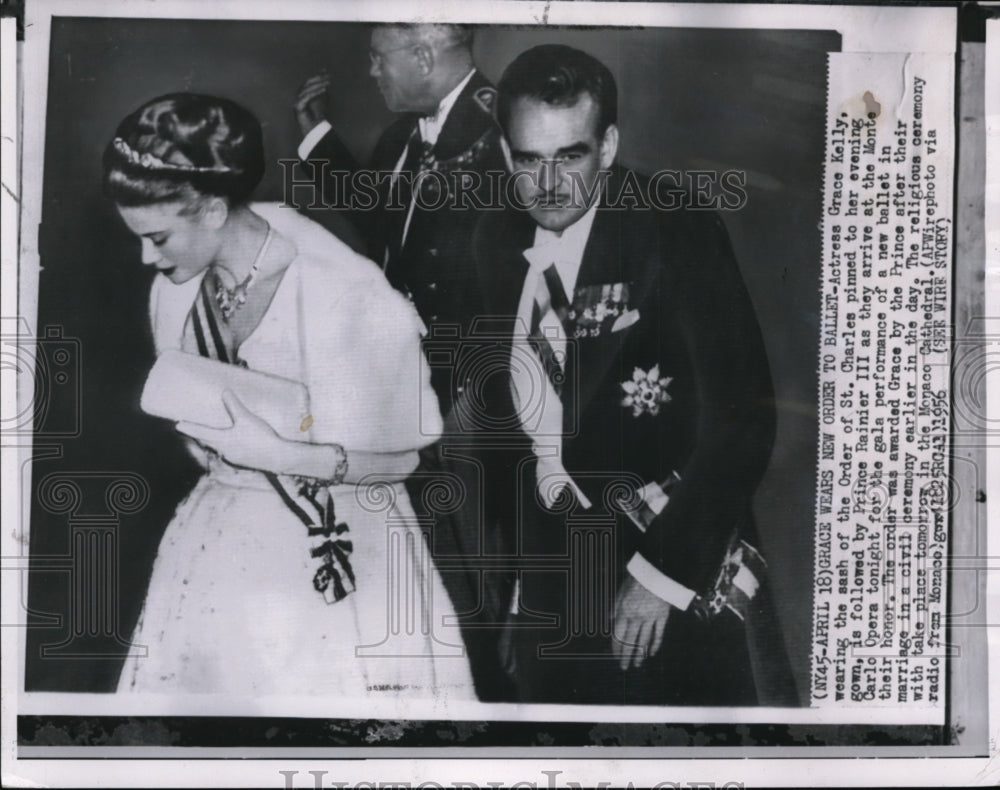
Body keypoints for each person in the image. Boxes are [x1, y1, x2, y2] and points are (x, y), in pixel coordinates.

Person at [107, 93, 473, 700]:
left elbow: (408, 460)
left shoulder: (347, 292)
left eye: (159, 237)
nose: (148, 257)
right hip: (221, 539)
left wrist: (286, 454)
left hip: (345, 544)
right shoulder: (173, 286)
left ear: (216, 210)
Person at [474, 45, 783, 704]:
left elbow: (743, 423)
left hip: (661, 562)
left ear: (608, 146)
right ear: (506, 155)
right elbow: (511, 444)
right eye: (529, 159)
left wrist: (663, 576)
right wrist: (516, 590)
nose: (549, 183)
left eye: (571, 155)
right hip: (550, 580)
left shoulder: (674, 227)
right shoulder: (495, 243)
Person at [294, 24, 512, 699]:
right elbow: (392, 230)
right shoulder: (403, 137)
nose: (371, 72)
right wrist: (316, 139)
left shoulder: (504, 126)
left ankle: (506, 700)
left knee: (488, 554)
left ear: (423, 56)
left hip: (480, 388)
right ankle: (467, 686)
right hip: (414, 382)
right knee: (437, 554)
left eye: (378, 58)